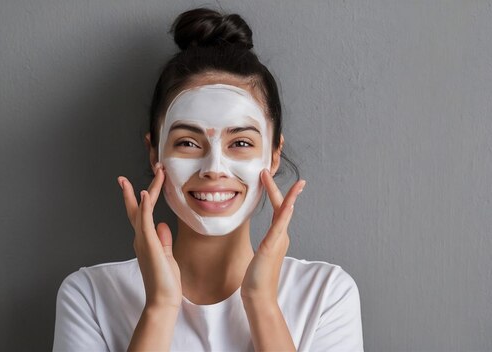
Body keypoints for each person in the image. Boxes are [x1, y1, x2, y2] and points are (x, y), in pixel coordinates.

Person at [52, 7, 363, 352]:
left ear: (274, 155)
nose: (214, 168)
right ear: (155, 154)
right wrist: (160, 305)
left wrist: (261, 302)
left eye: (241, 142)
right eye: (187, 142)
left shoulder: (326, 294)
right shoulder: (90, 296)